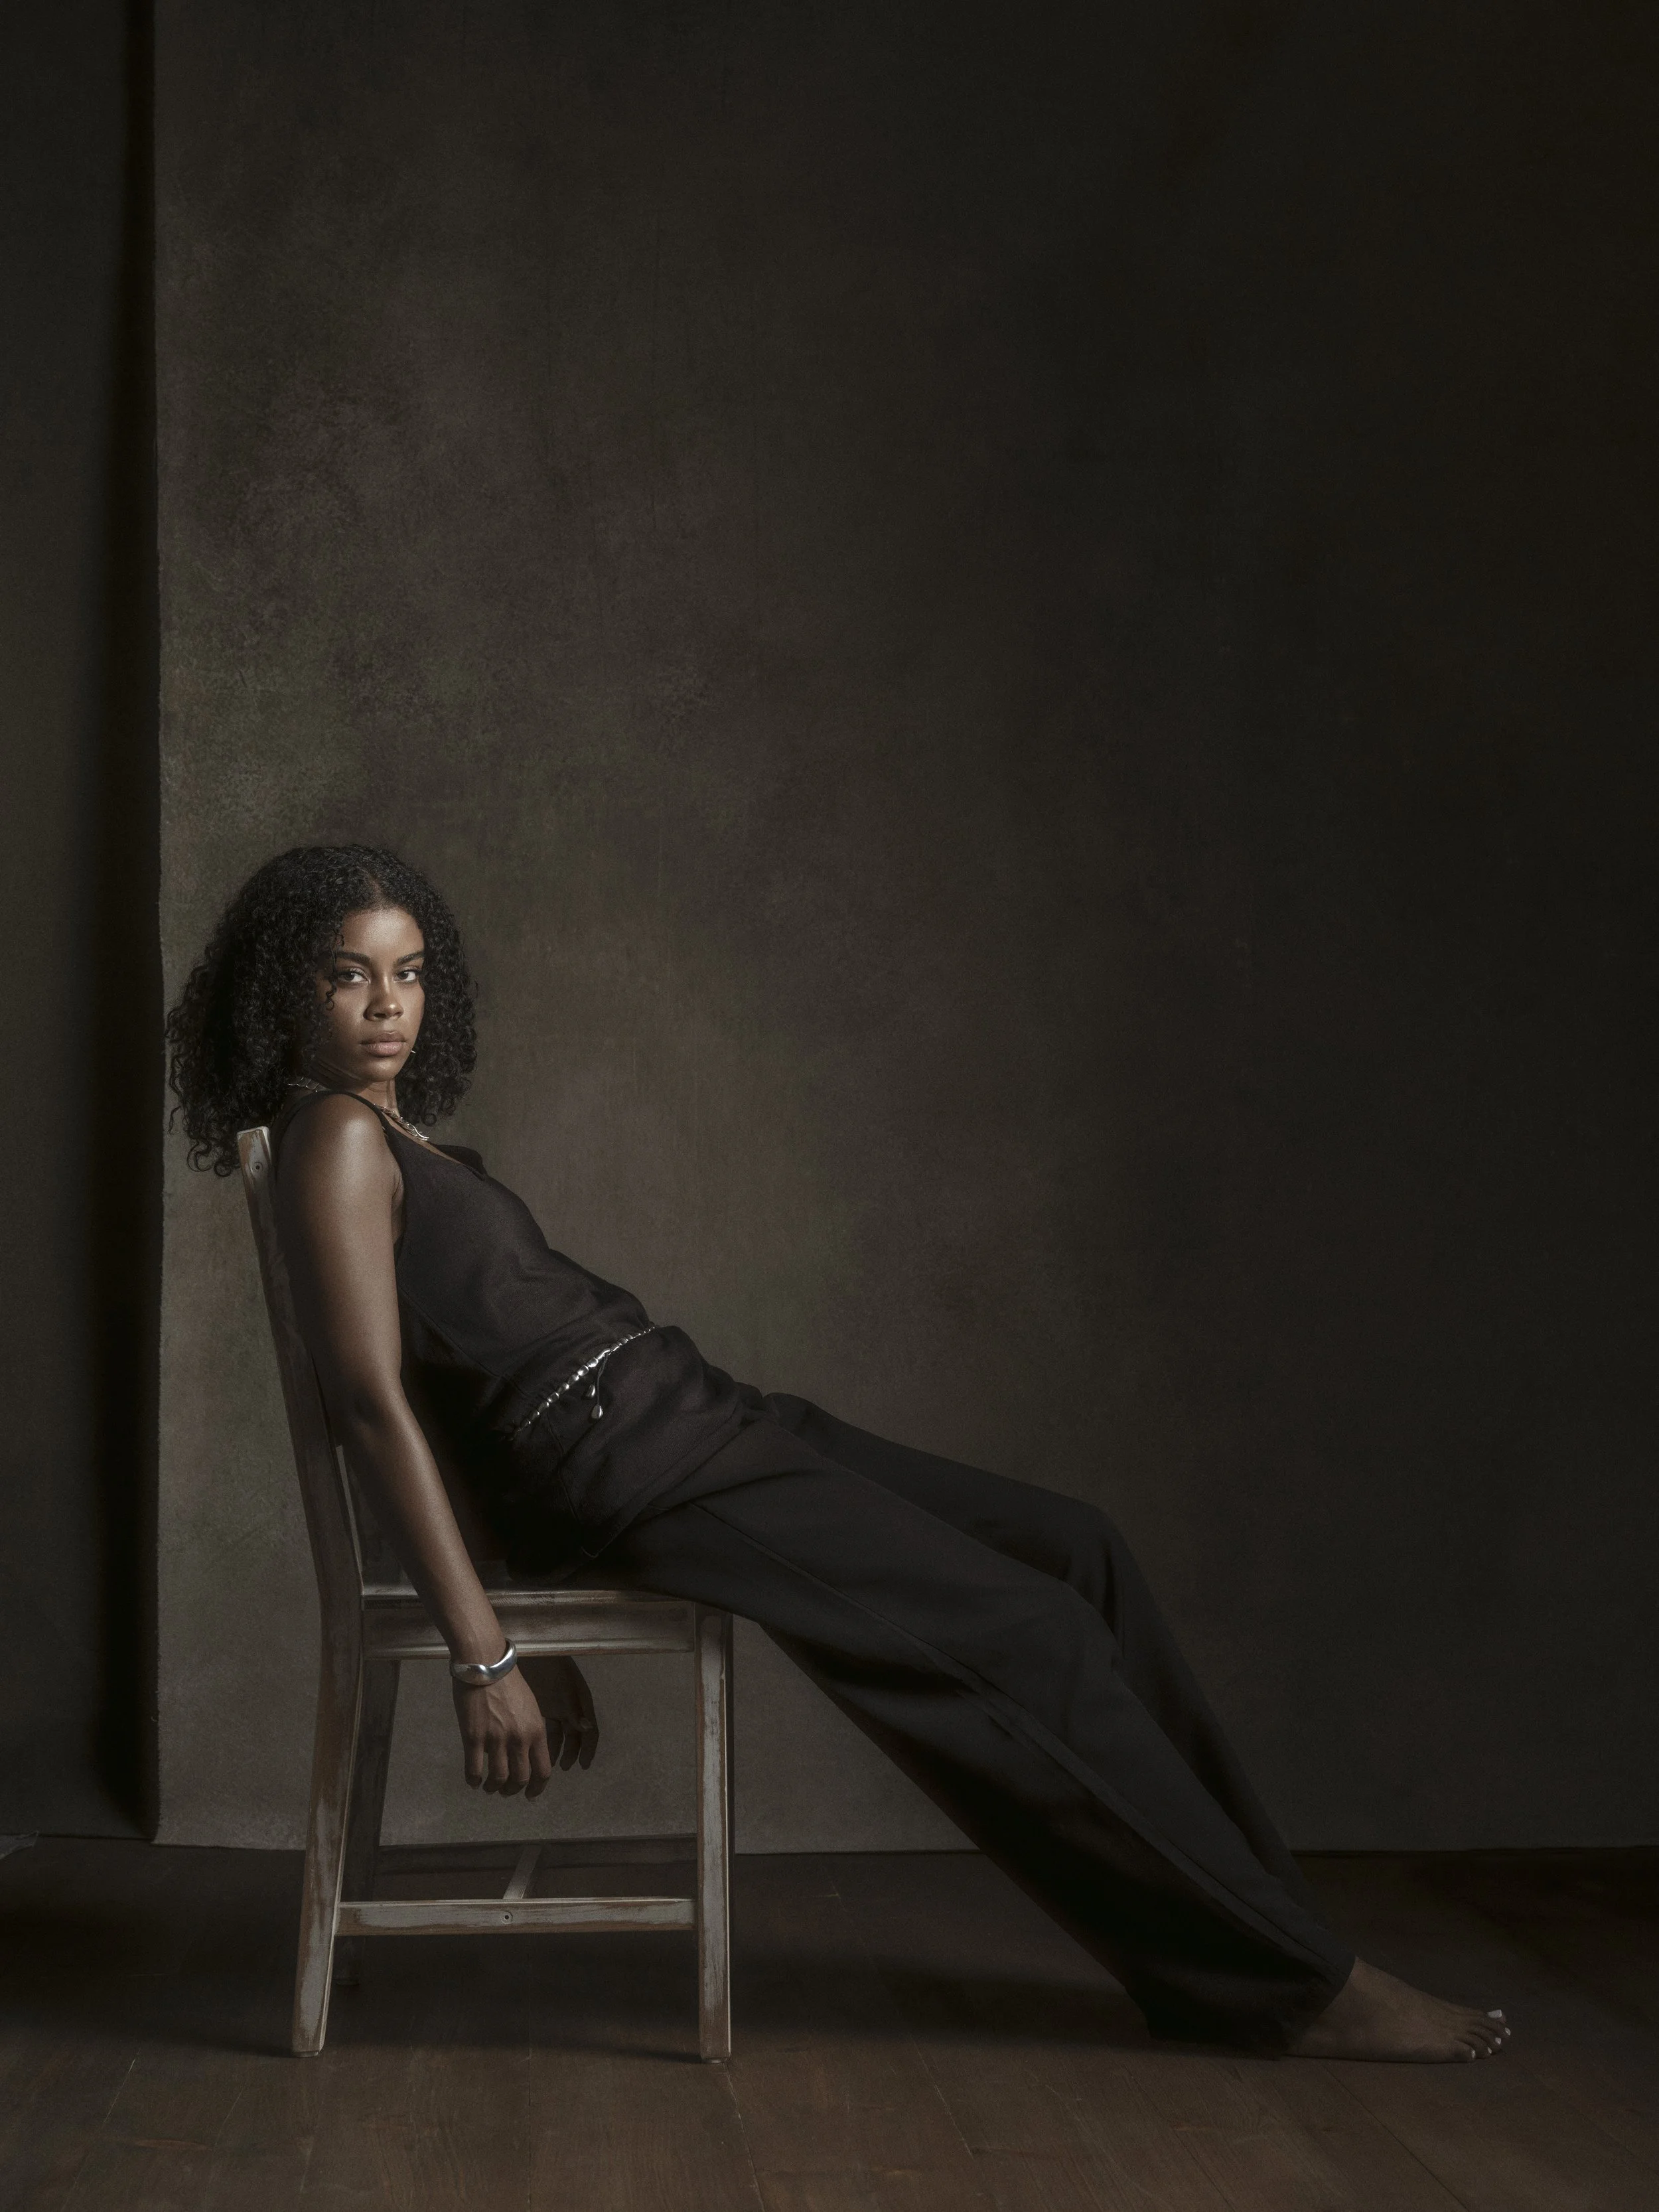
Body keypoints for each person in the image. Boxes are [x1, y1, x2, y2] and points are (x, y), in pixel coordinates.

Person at [166, 843, 1510, 2063]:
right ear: (283, 993)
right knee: (1023, 1636)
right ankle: (1298, 1986)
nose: (385, 1005)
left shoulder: (391, 1132)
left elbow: (445, 1405)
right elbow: (373, 1405)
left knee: (1072, 1547)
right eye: (347, 977)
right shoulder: (335, 1143)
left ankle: (1233, 1948)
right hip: (648, 1471)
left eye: (405, 973)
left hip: (698, 1416)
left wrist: (525, 1605)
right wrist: (490, 1647)